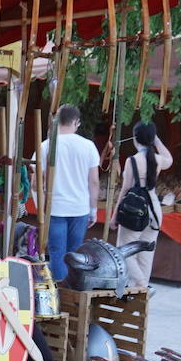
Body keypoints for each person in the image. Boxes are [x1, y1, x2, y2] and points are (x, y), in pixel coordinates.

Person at [40, 104, 103, 283]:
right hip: (80, 207)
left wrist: (40, 207)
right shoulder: (88, 146)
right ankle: (73, 291)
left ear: (57, 121)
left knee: (57, 252)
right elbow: (94, 181)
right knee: (75, 252)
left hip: (55, 207)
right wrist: (93, 209)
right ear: (76, 122)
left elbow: (36, 181)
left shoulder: (46, 146)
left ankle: (59, 295)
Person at [111, 121, 173, 289]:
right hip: (154, 208)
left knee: (124, 250)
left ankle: (140, 283)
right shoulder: (158, 159)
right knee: (146, 253)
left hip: (135, 207)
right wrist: (157, 140)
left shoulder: (133, 160)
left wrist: (115, 215)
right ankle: (142, 293)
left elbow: (125, 190)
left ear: (135, 138)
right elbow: (170, 159)